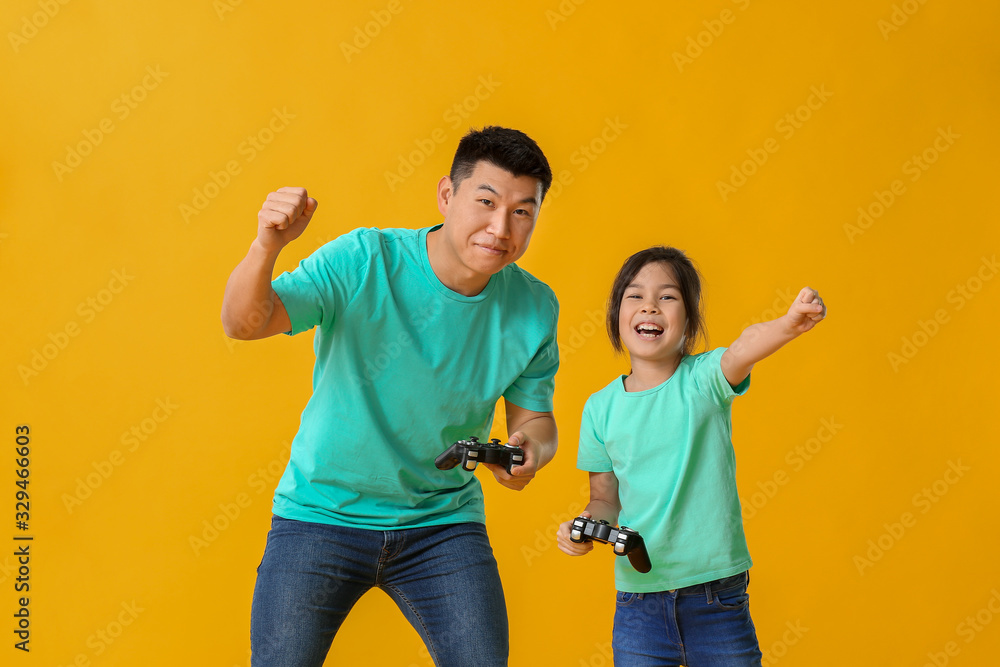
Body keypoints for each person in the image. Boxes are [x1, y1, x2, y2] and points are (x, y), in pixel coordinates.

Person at [221, 126, 560, 667]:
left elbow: (537, 418)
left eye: (523, 211)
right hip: (320, 514)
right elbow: (243, 323)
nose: (501, 228)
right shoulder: (364, 259)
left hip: (442, 524)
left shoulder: (535, 306)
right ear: (447, 196)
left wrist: (529, 451)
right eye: (487, 202)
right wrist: (268, 244)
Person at [556, 246, 826, 667]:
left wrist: (788, 325)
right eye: (635, 295)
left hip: (716, 596)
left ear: (689, 320)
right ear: (615, 315)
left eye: (667, 297)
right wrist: (588, 527)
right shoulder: (599, 407)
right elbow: (604, 498)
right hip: (638, 601)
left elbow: (744, 346)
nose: (650, 306)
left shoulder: (704, 380)